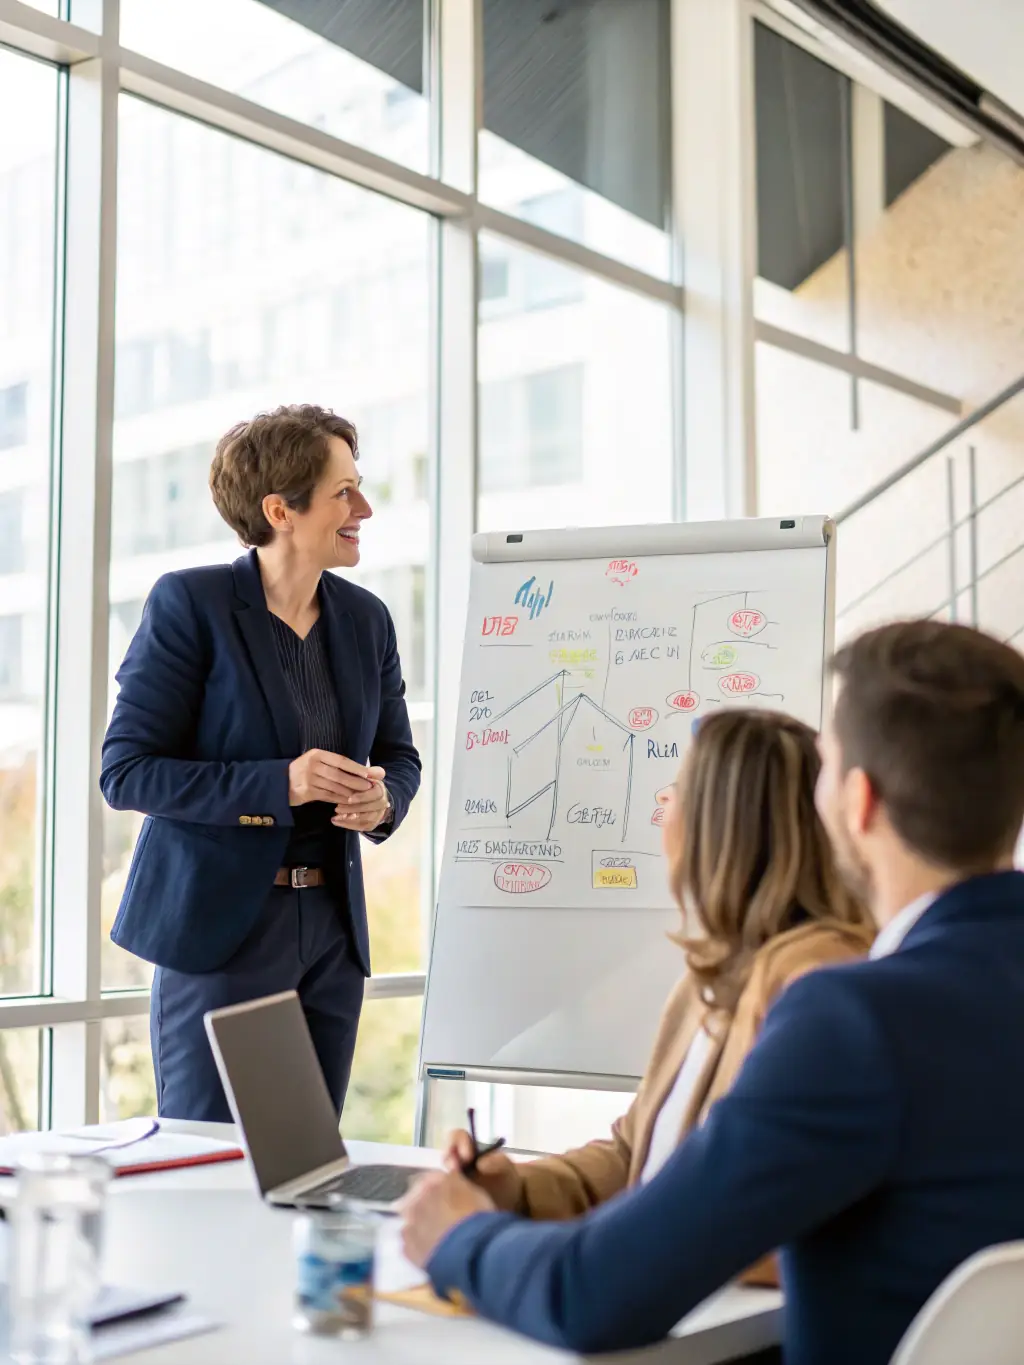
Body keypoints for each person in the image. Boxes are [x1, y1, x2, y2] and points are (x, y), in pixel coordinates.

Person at [400, 620, 1024, 1365]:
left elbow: (592, 1293)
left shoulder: (850, 1021)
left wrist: (458, 1236)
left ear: (857, 802)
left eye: (826, 766)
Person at [442, 709, 872, 1251]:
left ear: (724, 826)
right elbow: (635, 1155)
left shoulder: (816, 983)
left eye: (678, 790)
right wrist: (516, 1188)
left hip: (711, 1295)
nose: (662, 804)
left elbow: (742, 1213)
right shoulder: (710, 979)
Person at [101, 404, 420, 1122]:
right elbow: (126, 770)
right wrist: (282, 783)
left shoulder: (367, 619)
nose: (364, 509)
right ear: (281, 511)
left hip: (331, 933)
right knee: (209, 1156)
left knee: (305, 1162)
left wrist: (384, 800)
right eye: (344, 492)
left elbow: (399, 756)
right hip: (222, 932)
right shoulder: (192, 604)